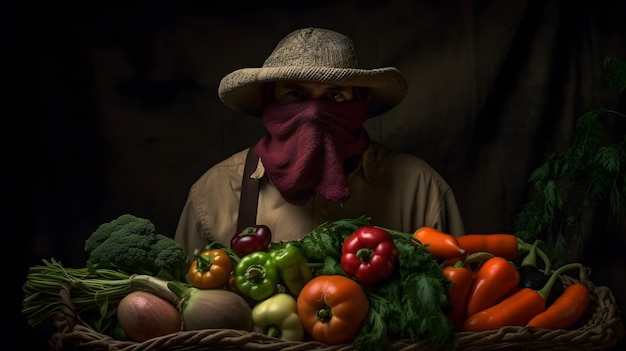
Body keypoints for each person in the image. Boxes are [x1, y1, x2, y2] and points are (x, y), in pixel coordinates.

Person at [174, 27, 465, 257]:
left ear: (360, 104)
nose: (314, 114)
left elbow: (461, 294)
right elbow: (183, 314)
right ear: (270, 102)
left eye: (335, 96)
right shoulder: (214, 193)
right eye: (295, 94)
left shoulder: (421, 190)